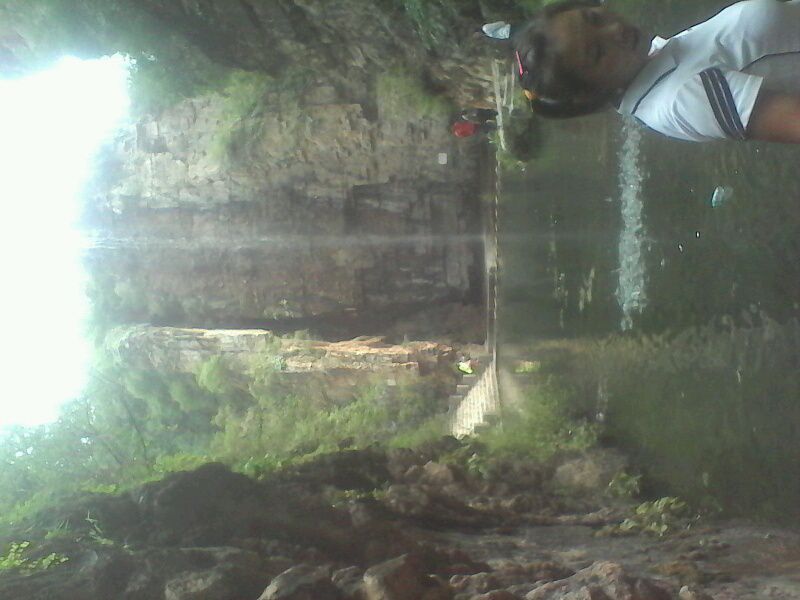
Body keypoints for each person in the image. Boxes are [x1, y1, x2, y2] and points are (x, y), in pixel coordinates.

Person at [488, 0, 800, 143]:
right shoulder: (684, 98)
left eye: (593, 18)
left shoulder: (654, 59)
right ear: (590, 90)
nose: (614, 30)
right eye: (597, 52)